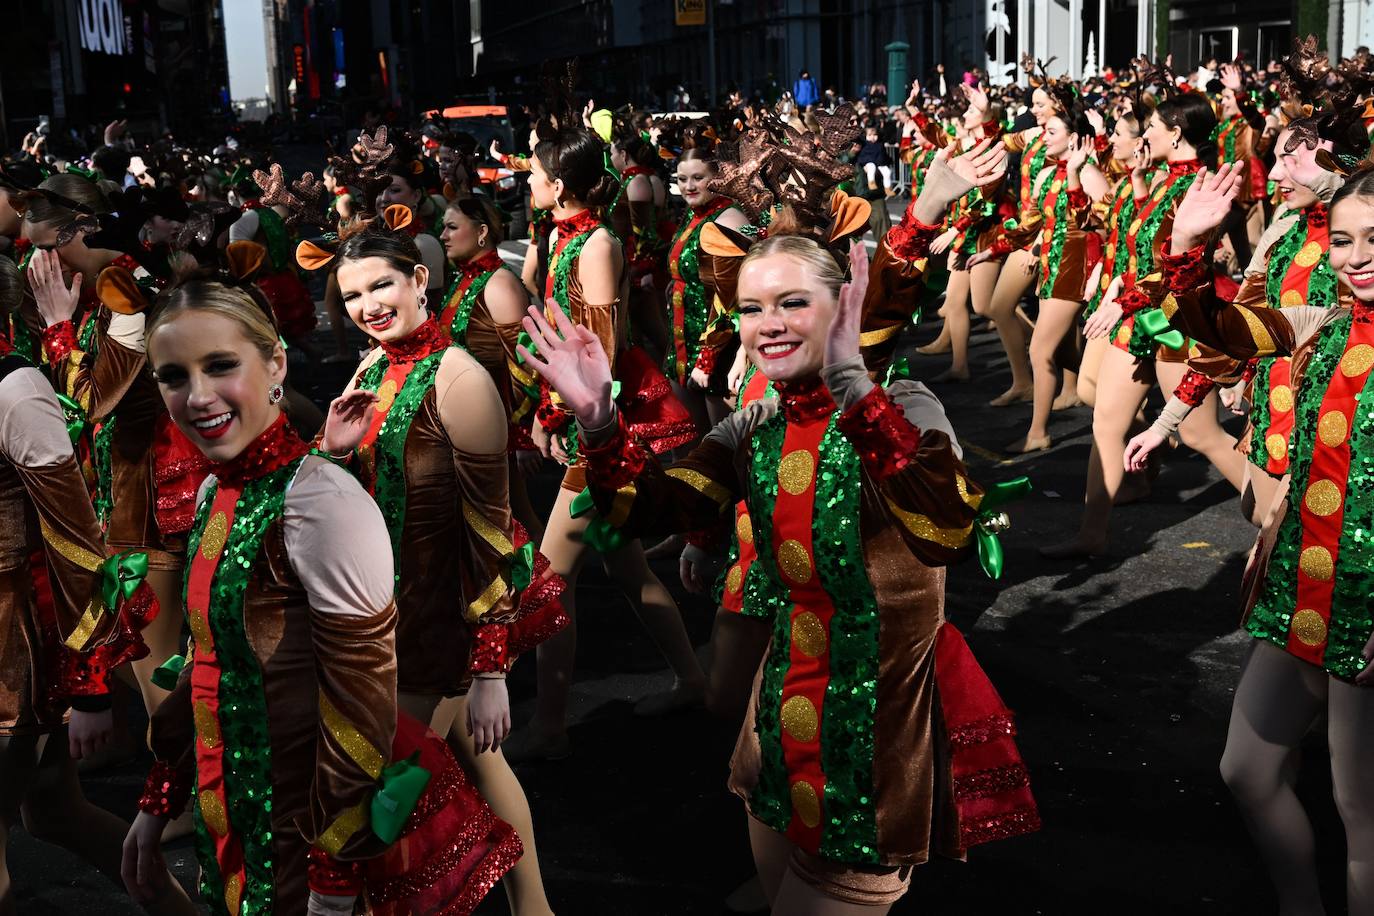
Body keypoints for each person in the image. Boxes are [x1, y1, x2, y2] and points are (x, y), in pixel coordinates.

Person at [519, 139, 1038, 915]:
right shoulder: (754, 425)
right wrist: (598, 421)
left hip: (875, 743)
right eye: (752, 307)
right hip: (779, 725)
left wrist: (857, 385)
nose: (767, 324)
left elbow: (948, 532)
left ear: (845, 309)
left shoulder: (908, 408)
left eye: (793, 303)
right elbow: (646, 511)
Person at [124, 268, 522, 915]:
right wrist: (160, 796)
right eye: (173, 376)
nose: (197, 396)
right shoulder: (216, 492)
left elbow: (359, 708)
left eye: (220, 365)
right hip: (237, 814)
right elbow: (207, 662)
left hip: (305, 835)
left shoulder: (320, 502)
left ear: (276, 363)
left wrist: (333, 884)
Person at [1129, 157, 1374, 916]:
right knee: (1247, 770)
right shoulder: (1324, 322)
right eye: (1343, 241)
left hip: (1367, 610)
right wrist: (1187, 249)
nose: (1356, 257)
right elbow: (1223, 330)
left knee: (1362, 814)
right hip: (1300, 589)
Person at [310, 208, 568, 916]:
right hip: (385, 615)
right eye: (353, 295)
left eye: (381, 285)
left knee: (384, 790)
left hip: (442, 622)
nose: (368, 306)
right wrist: (331, 454)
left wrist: (488, 670)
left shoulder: (460, 380)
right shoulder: (371, 365)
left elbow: (491, 536)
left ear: (419, 279)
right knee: (482, 764)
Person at [0, 255, 194, 916]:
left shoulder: (16, 385)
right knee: (55, 813)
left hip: (18, 641)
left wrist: (88, 685)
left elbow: (73, 538)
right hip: (86, 548)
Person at [511, 126, 703, 760]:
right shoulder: (564, 235)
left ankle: (551, 727)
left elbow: (599, 351)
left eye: (535, 173)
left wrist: (559, 414)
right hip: (589, 419)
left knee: (549, 579)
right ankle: (692, 680)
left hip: (602, 429)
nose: (528, 181)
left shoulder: (595, 243)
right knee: (628, 569)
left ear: (560, 185)